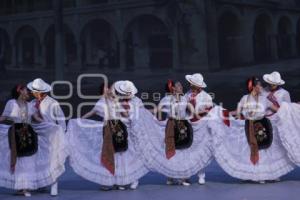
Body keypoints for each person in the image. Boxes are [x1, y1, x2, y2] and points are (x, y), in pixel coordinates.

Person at [130, 74, 213, 186]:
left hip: (183, 126)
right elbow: (157, 110)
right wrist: (142, 112)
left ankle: (183, 177)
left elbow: (193, 112)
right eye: (179, 86)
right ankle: (170, 177)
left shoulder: (184, 98)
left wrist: (210, 112)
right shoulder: (166, 99)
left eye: (180, 86)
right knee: (172, 150)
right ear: (173, 88)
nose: (181, 87)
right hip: (171, 125)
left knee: (183, 152)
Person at [209, 77, 294, 183]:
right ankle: (252, 175)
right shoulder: (245, 98)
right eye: (259, 85)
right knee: (249, 150)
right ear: (253, 87)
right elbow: (238, 111)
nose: (261, 87)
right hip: (249, 126)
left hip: (263, 126)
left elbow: (278, 109)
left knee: (264, 151)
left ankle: (263, 175)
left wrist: (291, 109)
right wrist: (224, 114)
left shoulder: (264, 99)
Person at [67, 80, 148, 191]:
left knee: (126, 154)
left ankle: (130, 179)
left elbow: (127, 115)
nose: (109, 90)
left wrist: (120, 107)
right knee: (112, 155)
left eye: (109, 88)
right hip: (108, 130)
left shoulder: (119, 100)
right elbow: (91, 112)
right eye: (107, 88)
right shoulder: (101, 103)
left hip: (121, 128)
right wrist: (79, 121)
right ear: (103, 91)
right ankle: (112, 181)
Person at [0, 83, 66, 197]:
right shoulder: (11, 103)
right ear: (20, 91)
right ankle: (21, 187)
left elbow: (37, 118)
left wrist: (51, 126)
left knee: (28, 160)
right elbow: (3, 117)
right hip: (15, 133)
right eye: (26, 90)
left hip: (28, 133)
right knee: (18, 159)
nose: (29, 93)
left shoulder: (30, 105)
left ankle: (26, 186)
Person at [27, 78, 67, 196]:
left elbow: (61, 118)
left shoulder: (52, 102)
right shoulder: (32, 103)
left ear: (41, 91)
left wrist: (62, 133)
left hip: (51, 134)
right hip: (36, 133)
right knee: (38, 159)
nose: (32, 92)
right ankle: (41, 183)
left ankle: (54, 184)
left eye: (34, 91)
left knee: (52, 160)